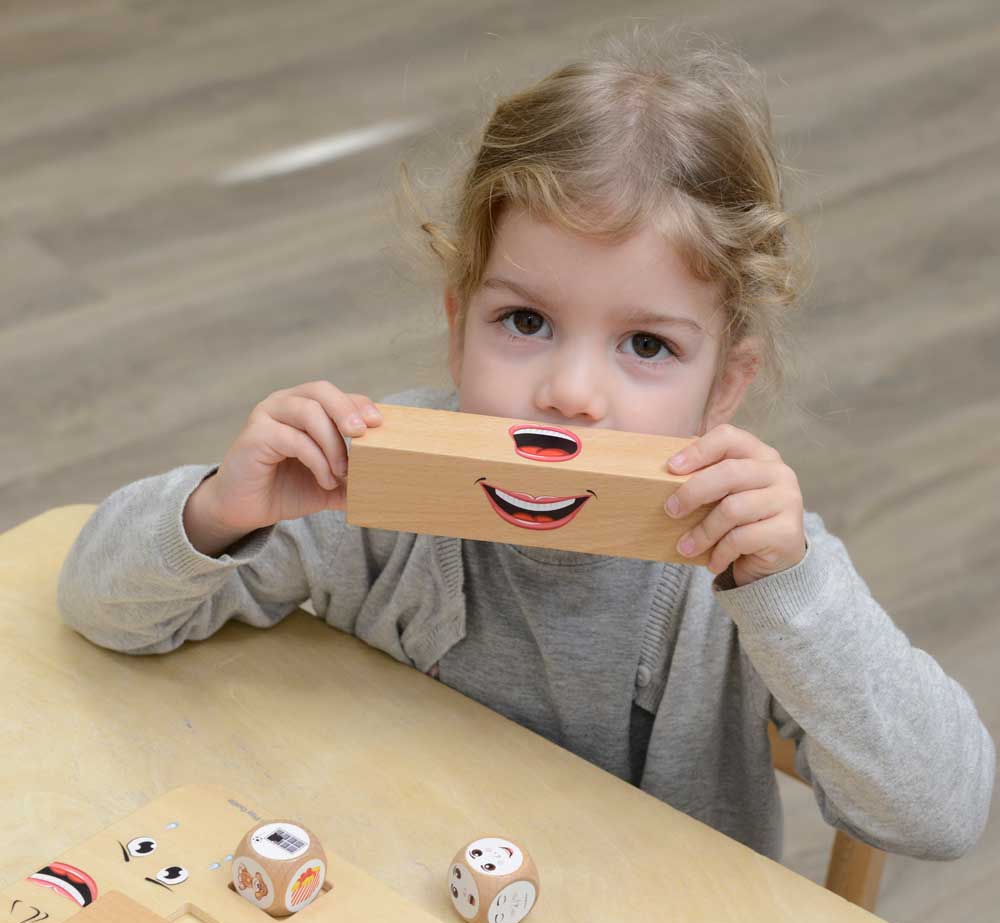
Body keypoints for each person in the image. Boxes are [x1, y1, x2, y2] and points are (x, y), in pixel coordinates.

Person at [57, 26, 994, 863]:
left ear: (725, 387)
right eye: (526, 321)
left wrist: (793, 597)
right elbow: (101, 608)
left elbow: (943, 814)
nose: (571, 393)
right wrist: (217, 511)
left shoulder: (745, 559)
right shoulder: (362, 485)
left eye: (647, 345)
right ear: (459, 325)